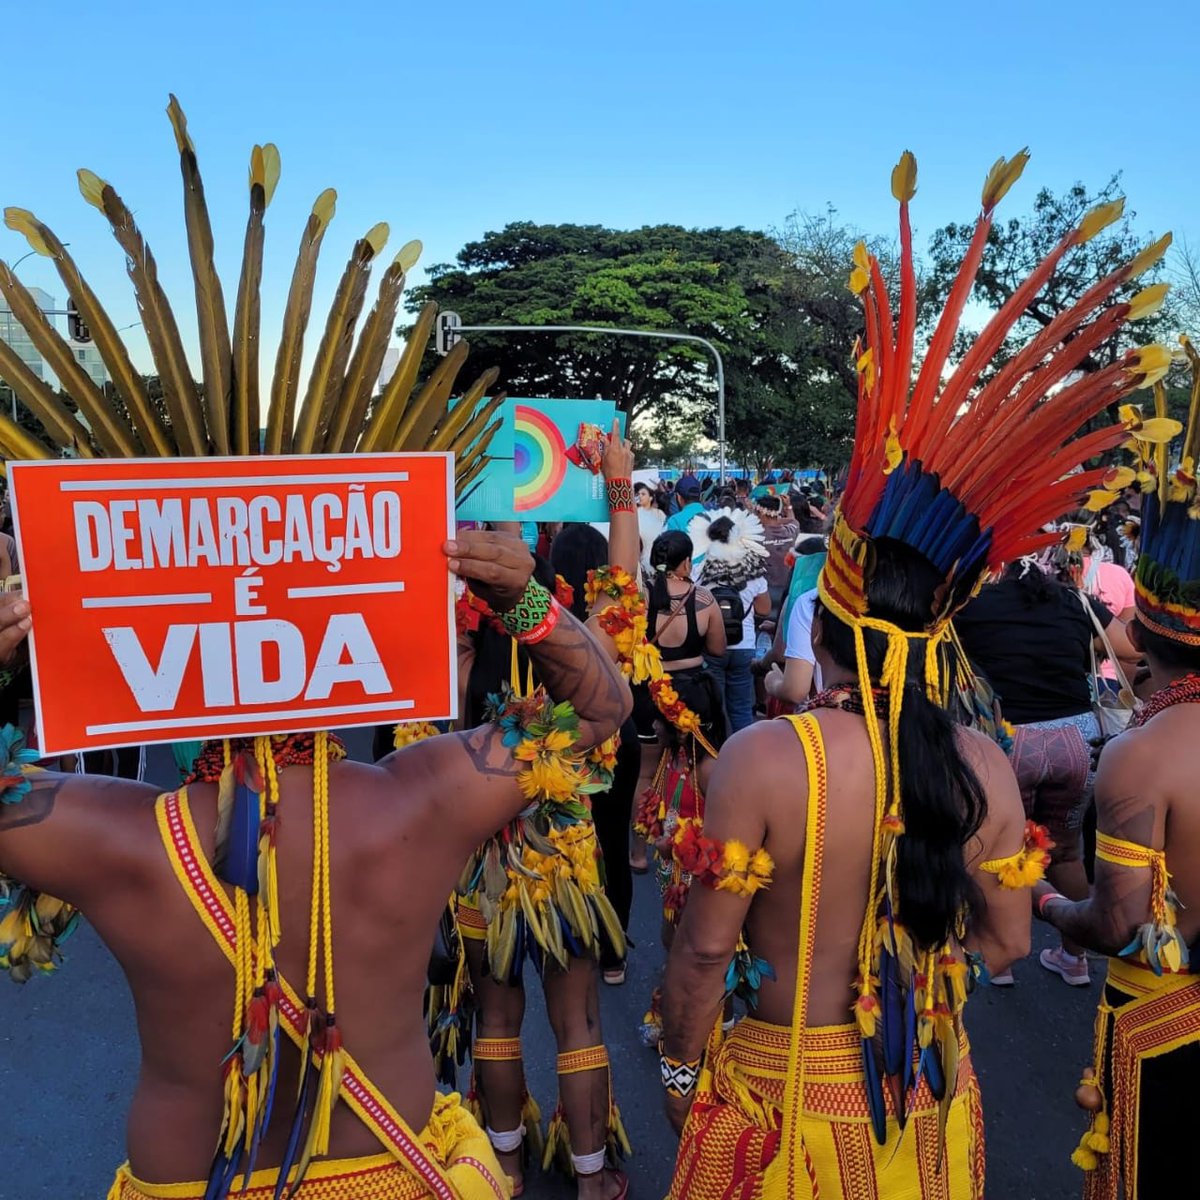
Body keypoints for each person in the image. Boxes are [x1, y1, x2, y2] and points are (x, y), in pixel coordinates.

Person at [0, 104, 636, 1200]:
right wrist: (529, 599)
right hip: (385, 1167)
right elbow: (601, 711)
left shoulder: (118, 840)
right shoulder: (420, 798)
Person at [660, 147, 1170, 1199]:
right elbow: (1006, 947)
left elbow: (705, 955)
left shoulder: (766, 756)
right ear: (942, 630)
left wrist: (674, 1067)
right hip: (927, 1106)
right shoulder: (978, 763)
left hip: (779, 1093)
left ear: (826, 622)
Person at [1036, 356, 1200, 1200]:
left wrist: (1047, 905)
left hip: (1168, 1027)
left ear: (1146, 630)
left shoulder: (1143, 754)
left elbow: (1119, 920)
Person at [955, 556, 1139, 986]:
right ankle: (1074, 957)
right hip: (1077, 741)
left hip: (1006, 741)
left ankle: (998, 960)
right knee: (1068, 851)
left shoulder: (972, 605)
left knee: (1003, 849)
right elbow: (1129, 647)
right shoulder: (1075, 603)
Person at [690, 509, 770, 733]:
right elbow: (764, 609)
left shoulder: (700, 571)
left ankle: (718, 755)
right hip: (744, 645)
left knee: (716, 707)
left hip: (711, 646)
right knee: (742, 708)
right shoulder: (753, 572)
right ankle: (744, 756)